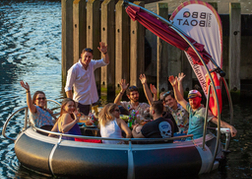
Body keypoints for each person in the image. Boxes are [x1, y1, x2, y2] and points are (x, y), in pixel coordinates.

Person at [168, 75, 237, 139]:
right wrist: (174, 86)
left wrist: (230, 127)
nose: (192, 102)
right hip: (189, 139)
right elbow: (179, 99)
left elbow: (217, 121)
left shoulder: (203, 111)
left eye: (195, 100)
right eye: (191, 100)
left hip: (197, 141)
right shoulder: (190, 108)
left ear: (200, 99)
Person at [65, 42, 109, 115]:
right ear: (81, 55)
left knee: (94, 121)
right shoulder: (74, 69)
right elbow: (68, 88)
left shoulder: (92, 64)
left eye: (89, 57)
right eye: (85, 56)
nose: (87, 59)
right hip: (81, 103)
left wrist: (105, 53)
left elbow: (105, 62)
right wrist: (71, 105)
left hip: (94, 101)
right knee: (82, 123)